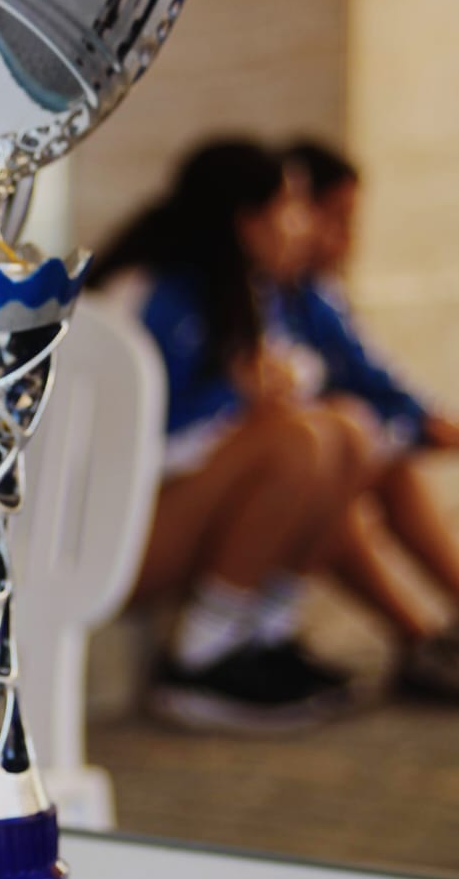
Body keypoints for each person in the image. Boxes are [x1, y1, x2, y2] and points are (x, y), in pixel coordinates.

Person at [90, 139, 378, 733]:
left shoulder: (246, 289)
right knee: (297, 440)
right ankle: (201, 660)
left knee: (348, 429)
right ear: (248, 220)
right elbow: (118, 439)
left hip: (170, 504)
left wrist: (261, 392)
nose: (302, 227)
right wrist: (240, 399)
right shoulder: (146, 289)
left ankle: (262, 635)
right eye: (290, 209)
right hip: (110, 527)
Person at [284, 139, 459, 699]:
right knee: (355, 458)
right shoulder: (253, 294)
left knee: (376, 455)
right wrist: (415, 426)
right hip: (254, 474)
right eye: (335, 219)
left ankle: (428, 640)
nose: (347, 240)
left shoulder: (311, 293)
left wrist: (421, 423)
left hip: (305, 454)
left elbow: (372, 375)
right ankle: (421, 640)